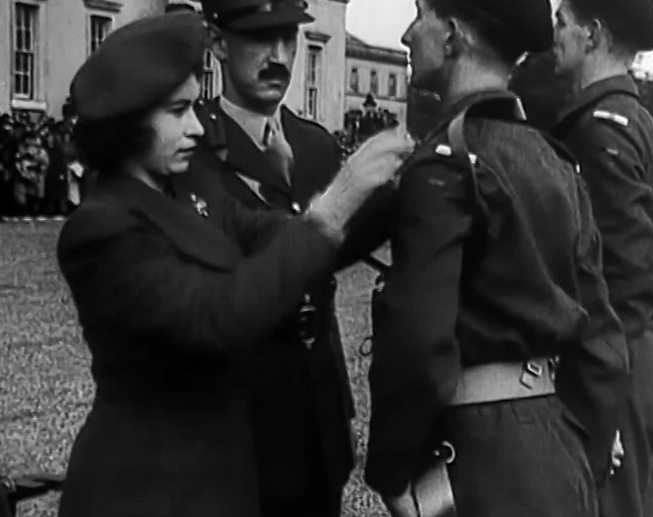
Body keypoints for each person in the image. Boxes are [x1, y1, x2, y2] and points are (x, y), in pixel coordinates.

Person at [56, 13, 411, 517]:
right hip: (152, 487)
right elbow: (216, 316)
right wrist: (336, 203)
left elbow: (273, 232)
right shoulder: (101, 228)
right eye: (178, 111)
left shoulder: (187, 191)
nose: (196, 125)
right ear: (128, 125)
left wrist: (399, 180)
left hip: (221, 476)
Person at [365, 0, 628, 516]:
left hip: (476, 458)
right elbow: (602, 338)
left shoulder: (447, 163)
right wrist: (585, 450)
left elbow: (418, 340)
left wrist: (393, 471)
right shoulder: (555, 161)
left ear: (452, 37)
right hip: (558, 447)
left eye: (422, 16)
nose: (406, 35)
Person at [187, 1, 388, 514]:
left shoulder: (315, 148)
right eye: (259, 38)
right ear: (217, 43)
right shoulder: (190, 151)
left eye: (288, 38)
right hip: (239, 415)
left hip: (316, 411)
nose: (278, 56)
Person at [550, 1, 653, 516]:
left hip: (617, 365)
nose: (555, 34)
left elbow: (626, 273)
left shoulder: (599, 129)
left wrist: (606, 392)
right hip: (645, 357)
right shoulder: (642, 121)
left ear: (593, 35)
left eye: (563, 23)